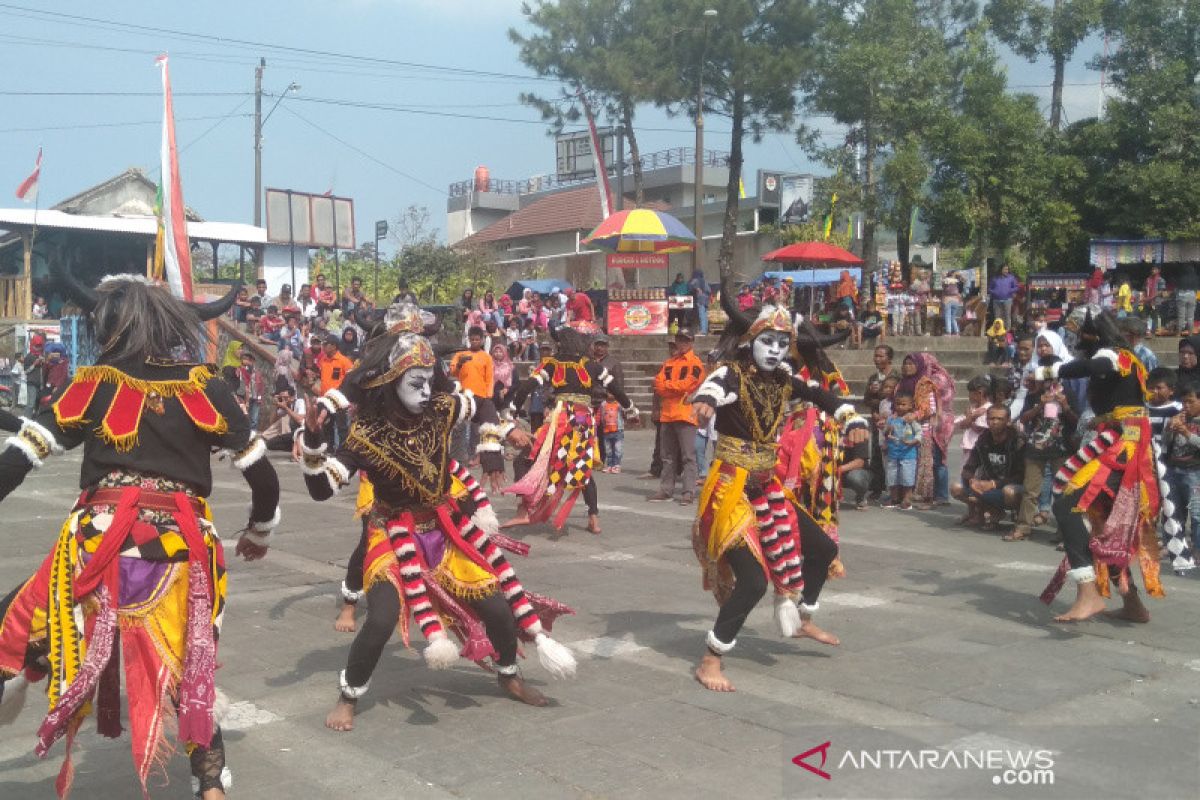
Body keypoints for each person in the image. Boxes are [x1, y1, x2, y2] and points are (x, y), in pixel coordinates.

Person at [0, 274, 278, 799]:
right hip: (181, 551)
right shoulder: (205, 384)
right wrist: (260, 533)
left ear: (106, 324)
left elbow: (20, 458)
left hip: (95, 548)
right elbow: (263, 478)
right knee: (186, 666)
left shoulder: (94, 379)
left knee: (14, 628)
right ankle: (212, 786)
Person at [297, 320, 575, 731]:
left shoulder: (441, 409)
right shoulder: (365, 435)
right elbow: (322, 489)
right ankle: (349, 696)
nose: (428, 392)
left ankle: (508, 674)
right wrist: (315, 444)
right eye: (417, 382)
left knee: (498, 608)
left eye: (431, 381)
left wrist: (505, 429)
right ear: (391, 381)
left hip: (444, 529)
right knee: (380, 619)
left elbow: (477, 403)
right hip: (391, 533)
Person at [689, 290, 864, 691]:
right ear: (751, 341)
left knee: (822, 548)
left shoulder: (785, 378)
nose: (775, 350)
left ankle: (803, 619)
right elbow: (713, 388)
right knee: (752, 582)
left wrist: (851, 417)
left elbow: (821, 394)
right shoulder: (733, 372)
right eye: (768, 341)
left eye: (783, 344)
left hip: (767, 488)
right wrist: (705, 404)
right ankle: (709, 660)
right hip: (730, 490)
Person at [1038, 309, 1192, 622]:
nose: (1077, 343)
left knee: (1067, 502)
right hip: (1119, 442)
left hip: (1123, 450)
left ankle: (1088, 592)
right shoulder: (1123, 360)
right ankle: (1132, 604)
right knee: (1102, 522)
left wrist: (1052, 371)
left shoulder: (1115, 355)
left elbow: (1096, 364)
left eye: (1079, 337)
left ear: (1093, 336)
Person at [503, 322, 639, 535]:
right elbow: (616, 389)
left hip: (561, 420)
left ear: (560, 344)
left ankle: (523, 509)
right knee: (580, 468)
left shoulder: (552, 364)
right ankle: (594, 519)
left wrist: (511, 411)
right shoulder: (592, 365)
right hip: (584, 422)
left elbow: (526, 387)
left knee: (527, 458)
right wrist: (631, 410)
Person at [647, 329, 705, 504]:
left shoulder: (696, 363)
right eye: (679, 339)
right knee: (667, 456)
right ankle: (666, 490)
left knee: (688, 456)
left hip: (686, 415)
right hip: (668, 415)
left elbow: (688, 385)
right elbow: (657, 384)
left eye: (685, 340)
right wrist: (674, 388)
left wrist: (668, 387)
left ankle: (688, 492)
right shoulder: (668, 363)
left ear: (692, 342)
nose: (682, 343)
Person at [951, 405, 1026, 528]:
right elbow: (969, 467)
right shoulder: (984, 438)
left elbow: (1021, 476)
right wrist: (972, 480)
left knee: (1010, 492)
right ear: (986, 420)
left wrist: (993, 484)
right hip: (986, 487)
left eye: (1000, 419)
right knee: (956, 488)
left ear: (1008, 421)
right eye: (991, 418)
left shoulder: (1018, 441)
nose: (995, 422)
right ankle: (989, 512)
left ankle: (1019, 516)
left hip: (1010, 487)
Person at [897, 353, 954, 507]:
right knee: (910, 463)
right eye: (905, 363)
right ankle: (913, 494)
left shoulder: (925, 384)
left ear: (920, 365)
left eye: (911, 364)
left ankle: (929, 497)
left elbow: (929, 409)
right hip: (905, 430)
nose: (907, 367)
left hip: (924, 430)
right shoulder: (902, 383)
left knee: (927, 465)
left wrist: (913, 415)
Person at [1161, 387, 1200, 565]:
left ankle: (1197, 549)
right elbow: (1164, 444)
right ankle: (1175, 547)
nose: (1186, 406)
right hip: (1174, 469)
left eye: (1191, 402)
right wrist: (1170, 429)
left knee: (1196, 514)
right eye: (1183, 402)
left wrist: (1186, 432)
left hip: (1194, 472)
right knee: (1173, 511)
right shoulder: (1178, 418)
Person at [883, 392, 922, 510]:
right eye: (898, 404)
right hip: (893, 453)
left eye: (903, 404)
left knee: (907, 476)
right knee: (892, 476)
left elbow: (920, 433)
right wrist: (887, 430)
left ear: (910, 406)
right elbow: (886, 433)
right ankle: (894, 498)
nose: (900, 407)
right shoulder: (891, 419)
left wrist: (913, 441)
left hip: (908, 454)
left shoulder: (911, 420)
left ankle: (907, 498)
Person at [235, 349, 266, 430]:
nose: (247, 362)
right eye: (244, 359)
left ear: (252, 361)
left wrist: (260, 398)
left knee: (254, 419)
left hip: (255, 399)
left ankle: (252, 435)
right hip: (245, 398)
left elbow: (261, 387)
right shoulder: (241, 371)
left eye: (249, 360)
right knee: (244, 417)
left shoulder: (257, 373)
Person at [598, 391, 625, 474]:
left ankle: (616, 465)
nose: (611, 394)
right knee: (608, 450)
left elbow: (625, 412)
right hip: (606, 430)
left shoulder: (619, 404)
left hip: (618, 430)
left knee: (617, 449)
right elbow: (602, 415)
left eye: (612, 392)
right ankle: (609, 465)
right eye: (609, 392)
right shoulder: (603, 404)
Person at [989, 263, 1019, 330]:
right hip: (996, 300)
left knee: (1007, 316)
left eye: (1007, 269)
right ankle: (998, 331)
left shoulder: (1011, 278)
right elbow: (990, 289)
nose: (1006, 271)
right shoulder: (995, 278)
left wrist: (1009, 290)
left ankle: (1008, 332)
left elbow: (1016, 287)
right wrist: (995, 292)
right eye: (1005, 269)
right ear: (1001, 270)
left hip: (1007, 300)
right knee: (997, 317)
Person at [1177, 263, 1199, 336]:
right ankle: (1190, 333)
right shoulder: (1196, 278)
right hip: (1192, 296)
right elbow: (1197, 288)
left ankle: (1178, 333)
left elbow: (1178, 288)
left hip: (1182, 296)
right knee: (1190, 317)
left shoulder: (1181, 277)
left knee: (1181, 316)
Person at [689, 268, 712, 334]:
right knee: (705, 315)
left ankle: (703, 331)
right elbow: (709, 290)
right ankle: (705, 329)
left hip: (700, 300)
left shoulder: (695, 280)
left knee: (701, 315)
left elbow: (691, 285)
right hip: (706, 300)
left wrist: (697, 289)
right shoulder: (704, 281)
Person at [941, 270, 963, 335]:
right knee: (953, 317)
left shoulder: (946, 281)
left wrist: (943, 277)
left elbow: (943, 287)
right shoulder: (957, 282)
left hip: (948, 300)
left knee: (947, 316)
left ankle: (948, 332)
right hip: (956, 300)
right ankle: (956, 331)